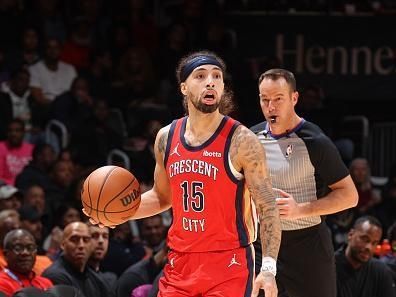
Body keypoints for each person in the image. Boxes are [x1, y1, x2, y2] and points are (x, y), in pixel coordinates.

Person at [84, 50, 281, 297]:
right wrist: (116, 214)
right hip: (180, 260)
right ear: (184, 88)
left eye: (217, 76)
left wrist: (269, 268)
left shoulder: (242, 141)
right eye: (200, 76)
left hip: (228, 262)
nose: (211, 81)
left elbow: (268, 206)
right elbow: (161, 197)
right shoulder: (166, 137)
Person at [250, 68, 358, 297]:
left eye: (278, 99)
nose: (271, 107)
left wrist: (302, 209)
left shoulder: (315, 141)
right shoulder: (251, 139)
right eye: (265, 99)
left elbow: (349, 195)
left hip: (308, 246)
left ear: (294, 98)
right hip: (265, 246)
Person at [42, 222, 112, 297]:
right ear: (63, 244)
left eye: (86, 240)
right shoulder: (55, 275)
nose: (81, 245)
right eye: (74, 239)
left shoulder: (94, 277)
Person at [335, 216, 396, 297]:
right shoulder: (329, 267)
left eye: (374, 243)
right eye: (365, 239)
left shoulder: (381, 271)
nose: (369, 247)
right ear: (350, 235)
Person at [0, 229, 53, 296]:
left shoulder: (46, 282)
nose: (25, 253)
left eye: (30, 248)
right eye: (18, 248)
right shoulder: (2, 283)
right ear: (6, 254)